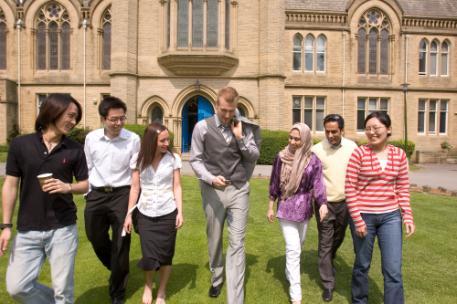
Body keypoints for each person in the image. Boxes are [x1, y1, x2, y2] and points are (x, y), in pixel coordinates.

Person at [1, 94, 89, 303]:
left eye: (76, 117)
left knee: (62, 290)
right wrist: (5, 225)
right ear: (53, 112)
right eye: (70, 115)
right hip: (27, 229)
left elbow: (86, 184)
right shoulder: (21, 144)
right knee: (17, 287)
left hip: (62, 229)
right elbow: (11, 185)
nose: (73, 121)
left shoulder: (75, 149)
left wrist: (67, 187)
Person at [189, 86, 260, 304]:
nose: (228, 115)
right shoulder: (202, 127)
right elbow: (195, 160)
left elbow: (254, 155)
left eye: (231, 110)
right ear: (216, 105)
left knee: (237, 243)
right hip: (213, 191)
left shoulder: (245, 127)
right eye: (223, 110)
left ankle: (235, 300)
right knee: (215, 237)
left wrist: (239, 138)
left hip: (239, 189)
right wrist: (210, 178)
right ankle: (217, 277)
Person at [345, 111, 415, 304]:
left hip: (390, 217)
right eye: (368, 128)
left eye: (376, 128)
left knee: (393, 269)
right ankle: (359, 300)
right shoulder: (359, 153)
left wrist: (407, 216)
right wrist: (358, 220)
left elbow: (402, 188)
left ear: (388, 129)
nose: (371, 132)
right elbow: (350, 188)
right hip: (363, 217)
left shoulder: (399, 155)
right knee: (362, 264)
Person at [84, 96, 140, 304]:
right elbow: (88, 167)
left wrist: (131, 206)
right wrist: (88, 192)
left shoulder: (133, 139)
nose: (118, 123)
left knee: (121, 243)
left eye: (122, 118)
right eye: (113, 119)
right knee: (94, 237)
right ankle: (119, 268)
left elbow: (136, 174)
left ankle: (117, 292)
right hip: (96, 195)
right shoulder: (91, 139)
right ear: (103, 119)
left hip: (122, 195)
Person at [267, 122, 328, 304]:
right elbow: (274, 182)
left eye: (297, 139)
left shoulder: (313, 160)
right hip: (286, 205)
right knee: (293, 249)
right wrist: (271, 205)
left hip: (304, 208)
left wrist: (323, 203)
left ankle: (288, 271)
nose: (292, 142)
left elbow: (318, 183)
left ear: (306, 139)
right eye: (290, 138)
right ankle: (296, 295)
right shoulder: (281, 157)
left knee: (299, 245)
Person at [123, 123, 184, 304]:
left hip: (168, 211)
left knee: (165, 256)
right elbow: (135, 188)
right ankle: (148, 287)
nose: (167, 143)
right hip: (145, 213)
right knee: (149, 256)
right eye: (163, 140)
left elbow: (177, 186)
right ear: (151, 141)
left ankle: (162, 292)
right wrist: (128, 214)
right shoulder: (138, 160)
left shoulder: (173, 159)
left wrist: (180, 211)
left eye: (168, 139)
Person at [311, 114, 357, 302]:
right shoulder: (316, 150)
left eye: (334, 132)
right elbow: (313, 179)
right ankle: (328, 284)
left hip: (346, 203)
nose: (330, 135)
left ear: (342, 131)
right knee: (325, 240)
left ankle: (329, 258)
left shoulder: (352, 148)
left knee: (339, 237)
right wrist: (320, 202)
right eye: (327, 131)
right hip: (324, 204)